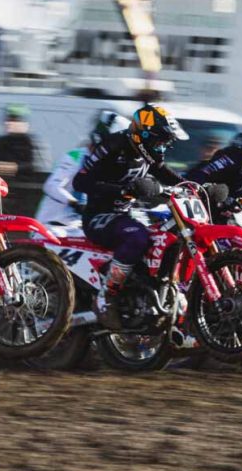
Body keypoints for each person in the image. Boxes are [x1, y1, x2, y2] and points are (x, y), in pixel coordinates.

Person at [72, 103, 188, 329]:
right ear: (144, 135)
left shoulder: (147, 152)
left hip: (127, 214)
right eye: (160, 141)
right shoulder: (113, 145)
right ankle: (106, 296)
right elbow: (80, 181)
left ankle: (153, 293)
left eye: (166, 142)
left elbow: (163, 171)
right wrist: (122, 190)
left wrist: (193, 186)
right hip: (99, 216)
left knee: (165, 235)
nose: (163, 147)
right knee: (137, 237)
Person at [35, 110, 131, 238]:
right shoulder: (75, 156)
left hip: (77, 227)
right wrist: (75, 204)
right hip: (53, 227)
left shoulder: (109, 165)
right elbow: (51, 186)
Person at [0, 104, 47, 178]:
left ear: (23, 123)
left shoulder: (29, 142)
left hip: (23, 183)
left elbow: (33, 166)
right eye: (8, 119)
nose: (8, 123)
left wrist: (13, 168)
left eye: (13, 120)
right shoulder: (2, 141)